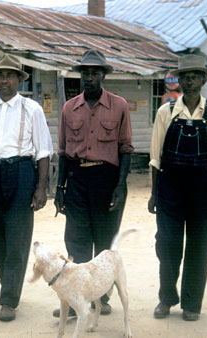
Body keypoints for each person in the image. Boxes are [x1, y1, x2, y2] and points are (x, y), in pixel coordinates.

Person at [0, 54, 53, 322]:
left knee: (17, 238)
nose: (3, 81)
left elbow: (43, 151)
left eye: (9, 76)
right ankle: (11, 282)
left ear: (19, 79)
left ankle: (8, 300)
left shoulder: (32, 109)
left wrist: (41, 188)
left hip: (21, 172)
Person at [148, 54, 207, 321]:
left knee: (199, 247)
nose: (189, 80)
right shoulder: (166, 112)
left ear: (204, 80)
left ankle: (192, 304)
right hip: (170, 187)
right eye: (185, 76)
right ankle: (166, 299)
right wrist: (153, 193)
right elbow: (155, 157)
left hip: (203, 188)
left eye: (194, 76)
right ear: (179, 80)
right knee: (168, 245)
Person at [54, 49, 133, 317]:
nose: (89, 77)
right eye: (85, 72)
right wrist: (60, 189)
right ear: (80, 76)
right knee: (76, 240)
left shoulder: (119, 105)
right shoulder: (69, 107)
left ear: (103, 76)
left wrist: (120, 185)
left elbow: (125, 148)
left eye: (95, 73)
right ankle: (79, 299)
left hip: (106, 179)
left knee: (104, 242)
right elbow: (63, 152)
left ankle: (102, 299)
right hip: (76, 179)